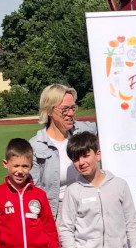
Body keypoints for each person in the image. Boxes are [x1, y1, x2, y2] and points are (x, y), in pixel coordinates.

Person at [29, 82, 96, 217]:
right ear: (49, 111)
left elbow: (108, 124)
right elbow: (34, 192)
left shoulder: (84, 131)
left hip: (89, 205)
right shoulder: (35, 146)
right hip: (58, 212)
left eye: (73, 108)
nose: (71, 113)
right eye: (65, 109)